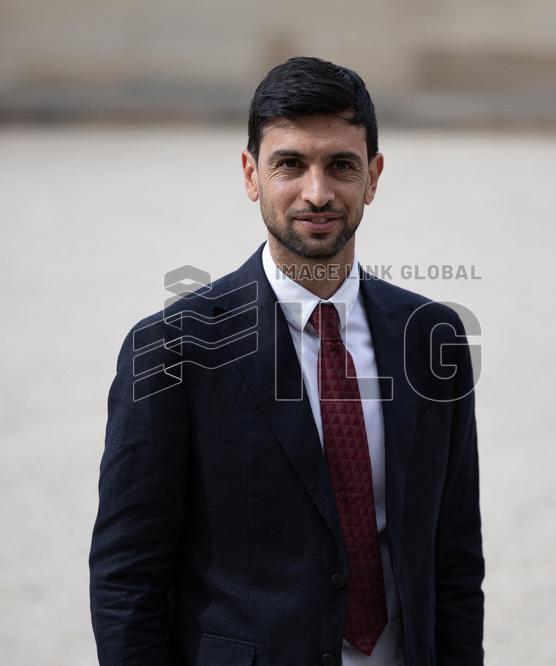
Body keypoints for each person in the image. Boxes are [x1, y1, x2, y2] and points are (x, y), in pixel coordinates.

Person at [89, 56, 484, 666]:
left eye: (341, 166)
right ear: (251, 174)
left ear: (374, 177)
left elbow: (454, 556)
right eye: (290, 165)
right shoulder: (171, 348)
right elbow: (128, 576)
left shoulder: (431, 337)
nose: (317, 192)